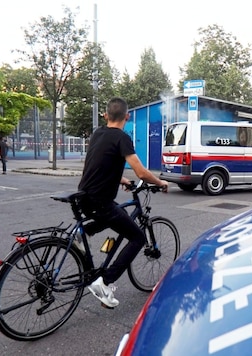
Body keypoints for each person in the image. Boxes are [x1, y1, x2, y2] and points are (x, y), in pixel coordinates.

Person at [78, 97, 168, 308]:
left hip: (84, 196)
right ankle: (105, 282)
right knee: (137, 237)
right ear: (127, 117)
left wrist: (122, 179)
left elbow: (98, 165)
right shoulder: (122, 138)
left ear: (106, 115)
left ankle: (81, 235)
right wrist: (161, 182)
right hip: (100, 201)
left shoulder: (97, 134)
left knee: (114, 214)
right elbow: (141, 172)